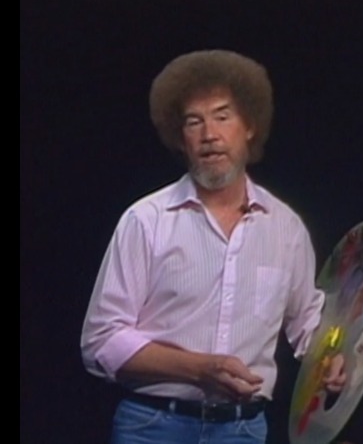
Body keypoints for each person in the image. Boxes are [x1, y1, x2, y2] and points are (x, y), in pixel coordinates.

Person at [81, 49, 345, 444]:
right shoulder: (146, 220)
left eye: (223, 116)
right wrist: (197, 369)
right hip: (153, 426)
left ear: (250, 126)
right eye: (194, 121)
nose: (209, 135)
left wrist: (329, 360)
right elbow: (101, 341)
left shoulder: (285, 228)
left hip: (242, 429)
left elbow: (307, 324)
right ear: (180, 137)